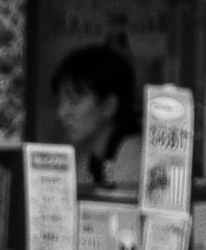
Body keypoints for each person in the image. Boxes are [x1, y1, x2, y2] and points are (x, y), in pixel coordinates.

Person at [51, 45, 143, 201]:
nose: (62, 112)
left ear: (109, 105)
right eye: (60, 101)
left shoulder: (133, 157)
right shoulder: (87, 157)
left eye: (74, 101)